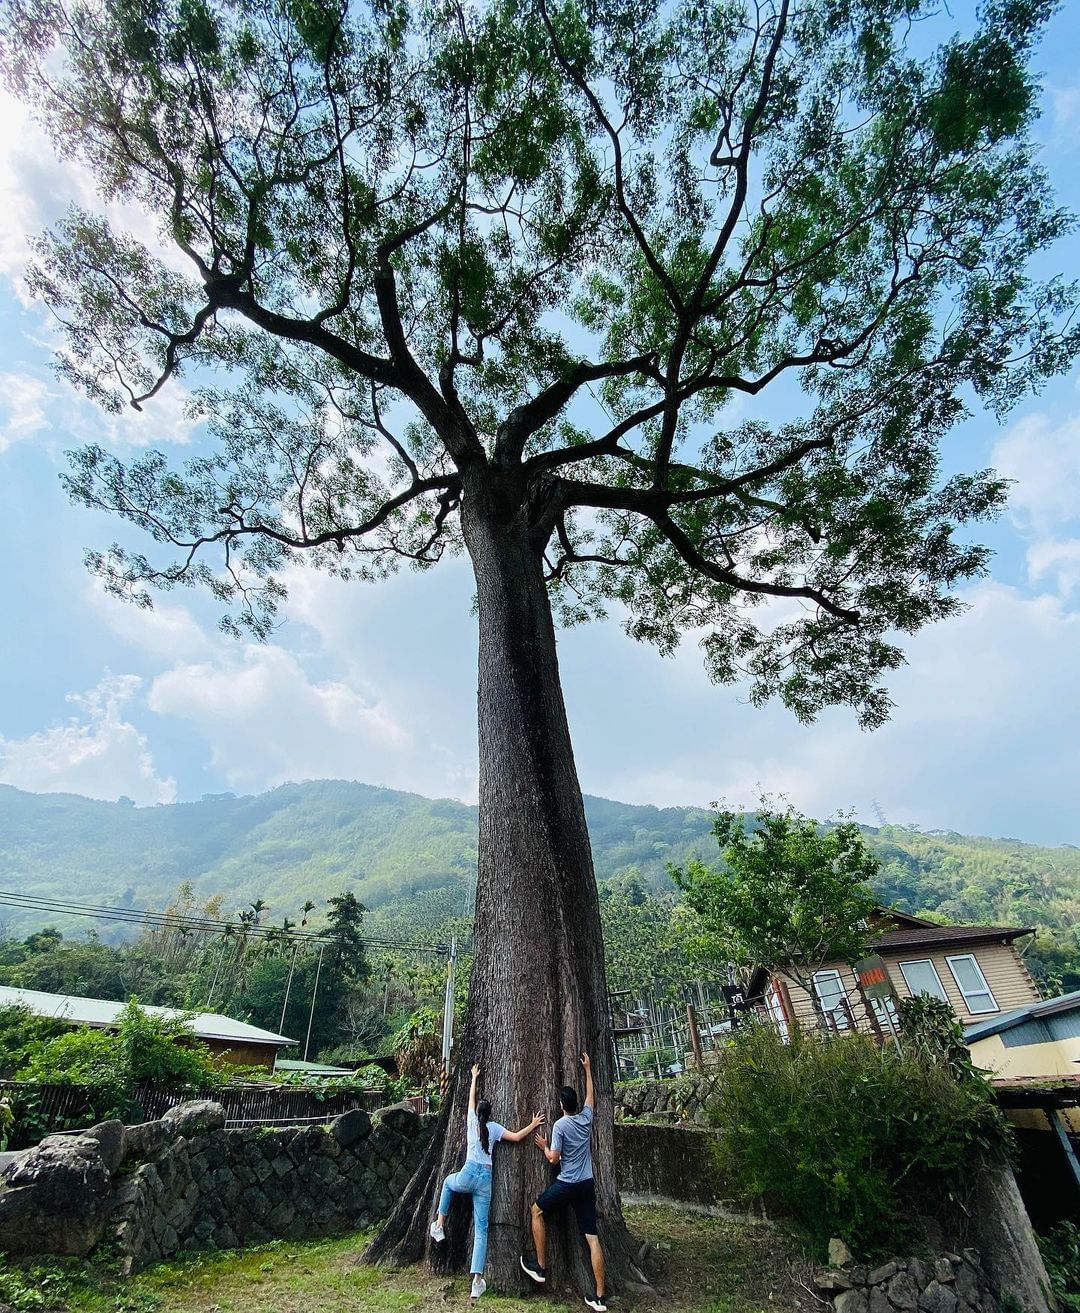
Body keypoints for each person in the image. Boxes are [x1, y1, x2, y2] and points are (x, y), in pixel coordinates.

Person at [430, 1062, 545, 1301]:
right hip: (486, 1179)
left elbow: (470, 1099)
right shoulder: (492, 1129)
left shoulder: (472, 1123)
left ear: (478, 1113)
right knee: (481, 1230)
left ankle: (439, 1225)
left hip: (469, 1173)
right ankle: (477, 1281)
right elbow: (515, 1137)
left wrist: (473, 1077)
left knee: (448, 1184)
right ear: (490, 1115)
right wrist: (533, 1125)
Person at [520, 1051, 607, 1313]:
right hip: (587, 1184)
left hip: (568, 1183)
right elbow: (592, 1096)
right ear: (576, 1104)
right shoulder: (586, 1118)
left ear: (560, 1105)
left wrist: (545, 1146)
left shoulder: (560, 1126)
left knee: (536, 1211)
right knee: (592, 1239)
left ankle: (542, 1267)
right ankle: (600, 1297)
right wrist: (588, 1069)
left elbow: (553, 1160)